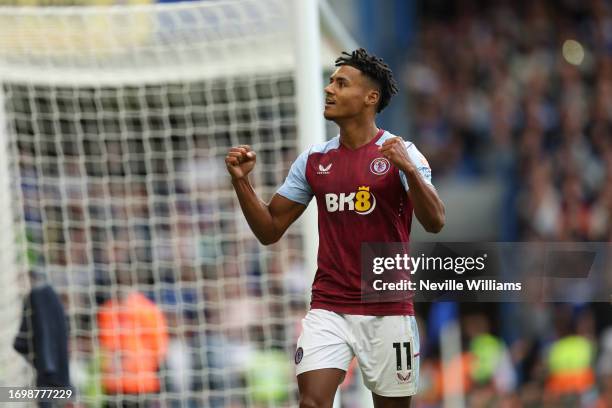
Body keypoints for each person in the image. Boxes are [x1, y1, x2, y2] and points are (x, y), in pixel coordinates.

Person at [225, 48, 445, 408]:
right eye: (330, 82)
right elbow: (270, 229)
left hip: (387, 307)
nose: (329, 89)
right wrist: (241, 183)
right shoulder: (313, 161)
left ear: (369, 98)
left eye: (341, 83)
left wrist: (406, 170)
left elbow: (435, 221)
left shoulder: (401, 152)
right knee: (312, 402)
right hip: (329, 306)